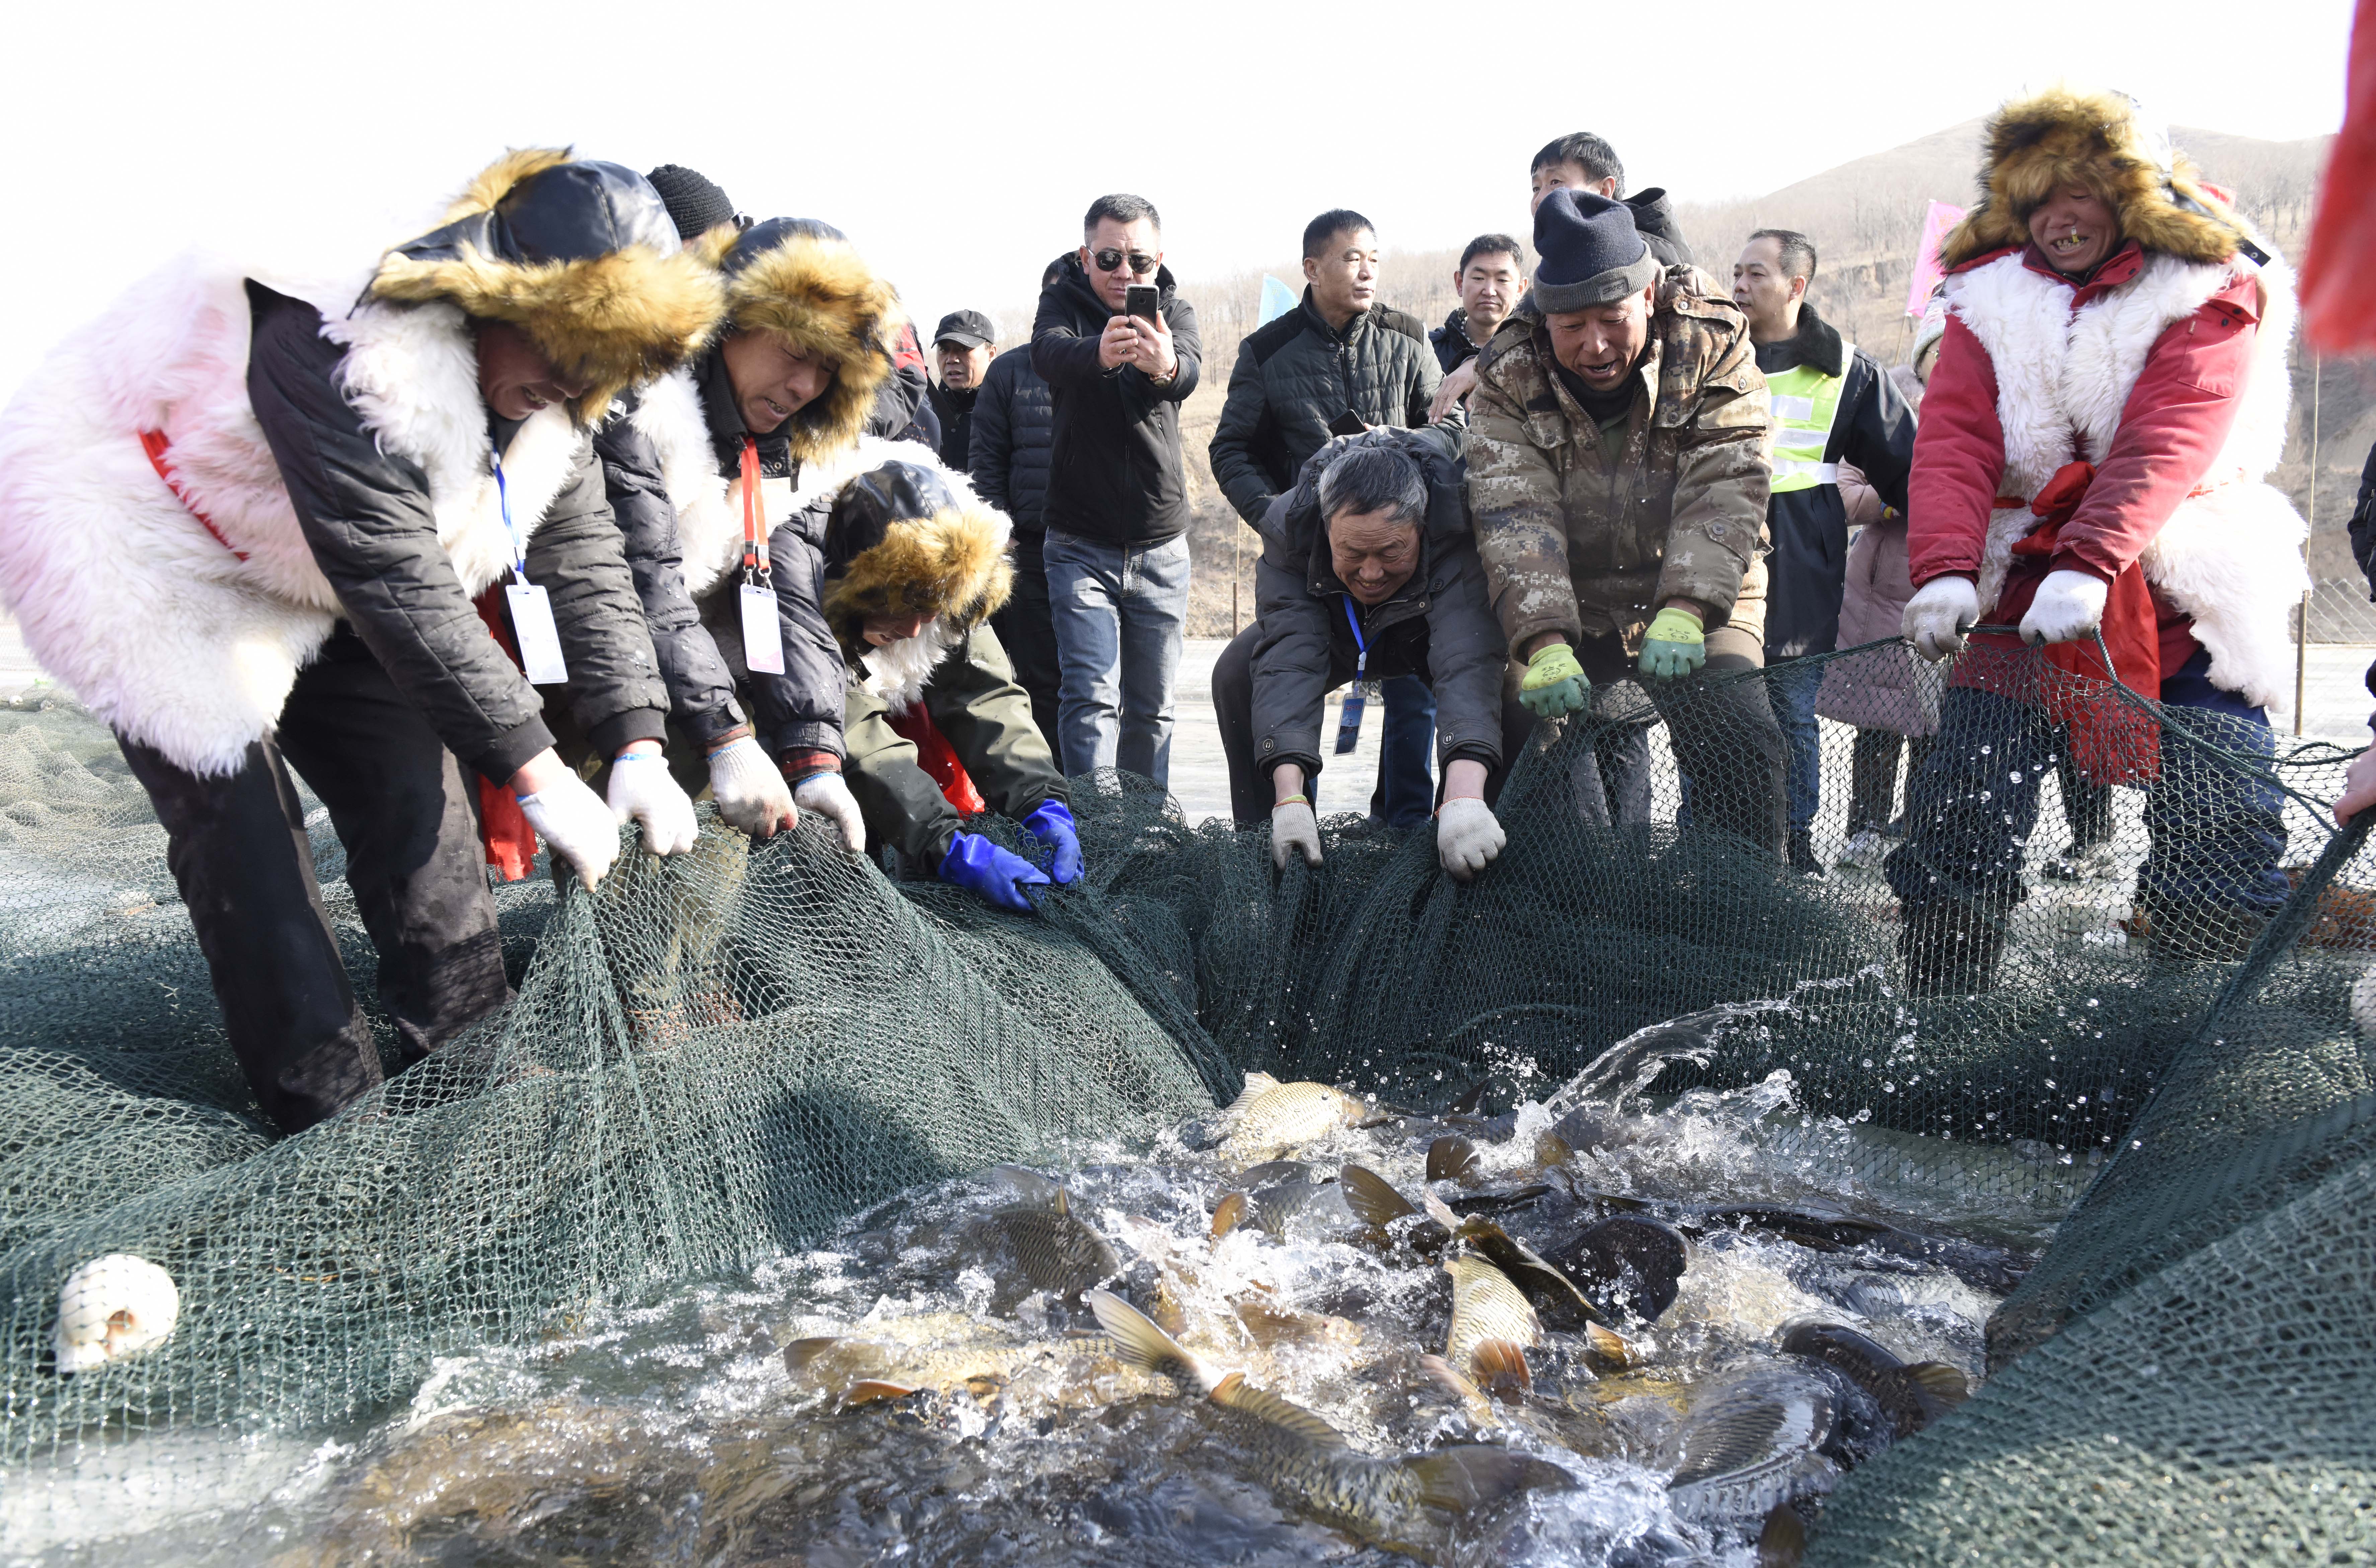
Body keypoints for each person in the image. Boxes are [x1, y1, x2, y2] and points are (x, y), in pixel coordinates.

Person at [0, 151, 724, 1132]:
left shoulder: (559, 400)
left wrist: (637, 739)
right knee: (248, 841)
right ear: (488, 292)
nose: (570, 379)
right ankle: (335, 1130)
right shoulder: (335, 324)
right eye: (559, 343)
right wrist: (542, 772)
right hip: (147, 538)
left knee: (422, 816)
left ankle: (477, 1086)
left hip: (316, 565)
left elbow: (586, 554)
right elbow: (392, 573)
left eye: (598, 363)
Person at [1889, 86, 2308, 989]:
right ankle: (1941, 1004)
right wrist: (1946, 571)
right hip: (2018, 578)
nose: (2058, 219)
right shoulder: (1982, 295)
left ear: (2130, 194)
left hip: (2184, 578)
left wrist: (2089, 560)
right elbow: (1957, 438)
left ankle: (2202, 1022)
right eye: (2037, 198)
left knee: (2219, 812)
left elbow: (2172, 431)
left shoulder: (2213, 280)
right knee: (1960, 808)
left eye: (2078, 194)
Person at [1467, 189, 1786, 854]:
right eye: (1571, 326)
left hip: (1703, 587)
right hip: (1568, 599)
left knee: (1739, 731)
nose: (1594, 345)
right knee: (1525, 726)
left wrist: (1688, 604)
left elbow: (1727, 479)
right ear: (1545, 317)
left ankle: (1739, 915)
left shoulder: (1710, 337)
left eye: (1611, 318)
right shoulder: (1506, 369)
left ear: (1645, 298)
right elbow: (1512, 511)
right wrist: (1541, 637)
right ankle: (1565, 904)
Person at [597, 210, 914, 855]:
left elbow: (791, 602)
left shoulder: (786, 449)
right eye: (796, 353)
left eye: (828, 371)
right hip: (594, 685)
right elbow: (647, 580)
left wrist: (814, 756)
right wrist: (727, 738)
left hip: (694, 685)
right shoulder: (642, 404)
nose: (804, 387)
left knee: (706, 897)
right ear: (729, 322)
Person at [1208, 209, 1450, 829]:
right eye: (1350, 259)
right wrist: (1274, 517)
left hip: (1406, 567)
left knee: (1421, 699)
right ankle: (1275, 836)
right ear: (1312, 269)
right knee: (1244, 675)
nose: (1366, 271)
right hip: (1317, 570)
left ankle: (1410, 836)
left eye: (1374, 259)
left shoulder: (1407, 337)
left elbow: (1450, 431)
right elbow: (1230, 449)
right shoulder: (1268, 350)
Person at [1214, 430, 1523, 883]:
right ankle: (1280, 857)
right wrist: (1289, 797)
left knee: (1516, 685)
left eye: (1391, 551)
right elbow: (1289, 660)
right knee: (1237, 673)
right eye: (1352, 553)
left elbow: (1468, 659)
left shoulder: (1456, 519)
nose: (1372, 572)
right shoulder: (1288, 526)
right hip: (1335, 629)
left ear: (1421, 527)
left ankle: (1475, 844)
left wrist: (1463, 796)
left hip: (1425, 626)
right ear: (1324, 528)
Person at [805, 457, 1080, 912]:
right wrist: (947, 844)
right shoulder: (810, 603)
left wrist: (1042, 802)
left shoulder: (956, 586)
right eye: (899, 608)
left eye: (929, 611)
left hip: (920, 746)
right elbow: (858, 738)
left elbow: (984, 697)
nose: (914, 630)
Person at [1730, 229, 1918, 876]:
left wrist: (1941, 551)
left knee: (1788, 705)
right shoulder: (1709, 354)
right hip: (1718, 552)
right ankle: (1712, 836)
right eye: (1736, 273)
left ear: (1795, 286)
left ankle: (1795, 841)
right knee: (1715, 704)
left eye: (1756, 274)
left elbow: (1909, 467)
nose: (1740, 285)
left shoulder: (1847, 369)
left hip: (1800, 562)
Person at [1030, 193, 1202, 786]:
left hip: (1160, 544)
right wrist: (1097, 353)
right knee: (1090, 698)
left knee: (1153, 709)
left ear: (1159, 260)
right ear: (1085, 257)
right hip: (1079, 544)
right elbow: (1047, 354)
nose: (1125, 273)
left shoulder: (1173, 312)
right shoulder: (1061, 303)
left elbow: (1191, 373)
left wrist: (1165, 367)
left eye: (1139, 262)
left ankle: (1147, 836)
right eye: (1108, 259)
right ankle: (1097, 833)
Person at [1817, 459, 1940, 869]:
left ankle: (1921, 828)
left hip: (1944, 582)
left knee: (1933, 728)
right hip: (1875, 597)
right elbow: (1847, 498)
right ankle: (1866, 828)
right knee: (1876, 725)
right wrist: (1905, 492)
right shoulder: (1881, 422)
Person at [971, 264, 1064, 757]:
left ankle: (1110, 794)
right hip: (1031, 549)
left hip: (1099, 545)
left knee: (1100, 685)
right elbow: (986, 460)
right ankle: (1053, 789)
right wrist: (999, 529)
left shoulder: (1113, 363)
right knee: (1039, 677)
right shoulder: (1009, 371)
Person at [1432, 235, 1527, 377]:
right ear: (1460, 283)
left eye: (1502, 280)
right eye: (1478, 278)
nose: (1489, 291)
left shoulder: (1537, 352)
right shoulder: (1428, 353)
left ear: (1520, 290)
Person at [926, 310, 997, 474]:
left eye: (964, 349)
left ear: (991, 353)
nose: (952, 359)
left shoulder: (1007, 412)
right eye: (944, 350)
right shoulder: (923, 412)